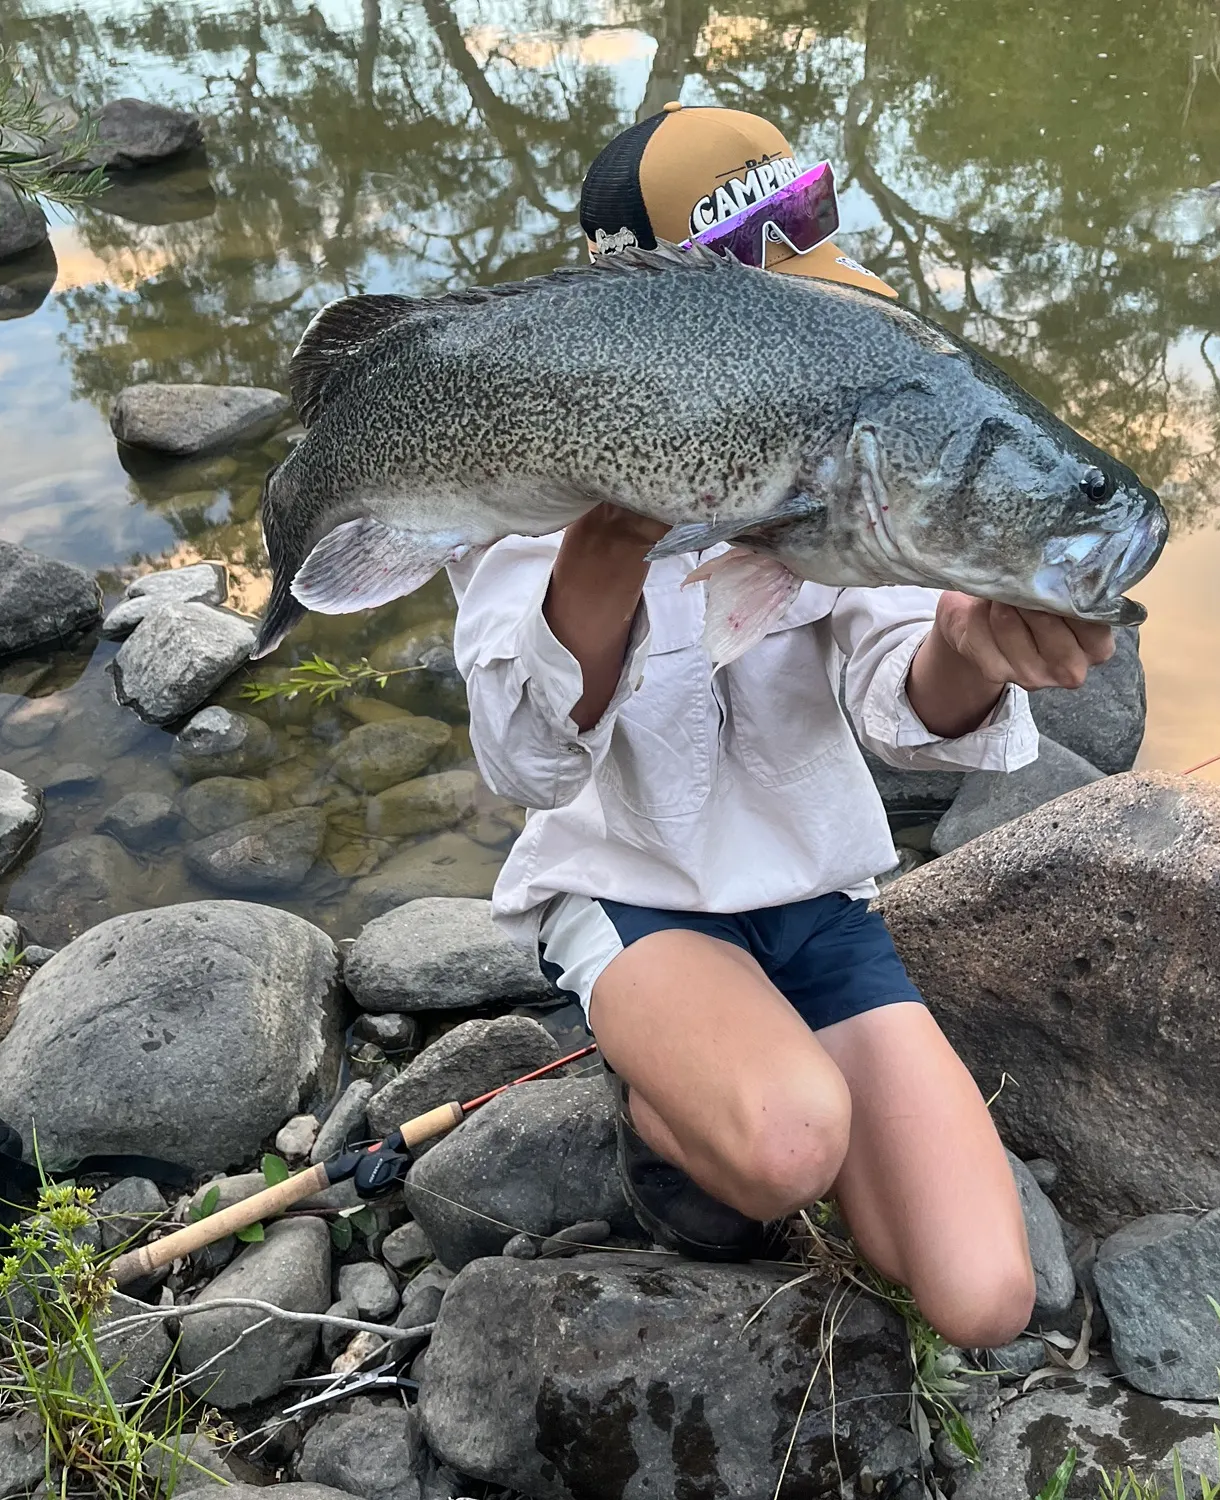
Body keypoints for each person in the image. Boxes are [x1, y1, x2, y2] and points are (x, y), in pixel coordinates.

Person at [448, 104, 1114, 1350]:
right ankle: (665, 1104)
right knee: (785, 1141)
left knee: (985, 1298)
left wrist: (968, 649)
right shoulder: (523, 489)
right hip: (636, 892)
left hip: (813, 904)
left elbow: (900, 700)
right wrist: (614, 533)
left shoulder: (843, 453)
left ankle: (758, 1070)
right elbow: (526, 765)